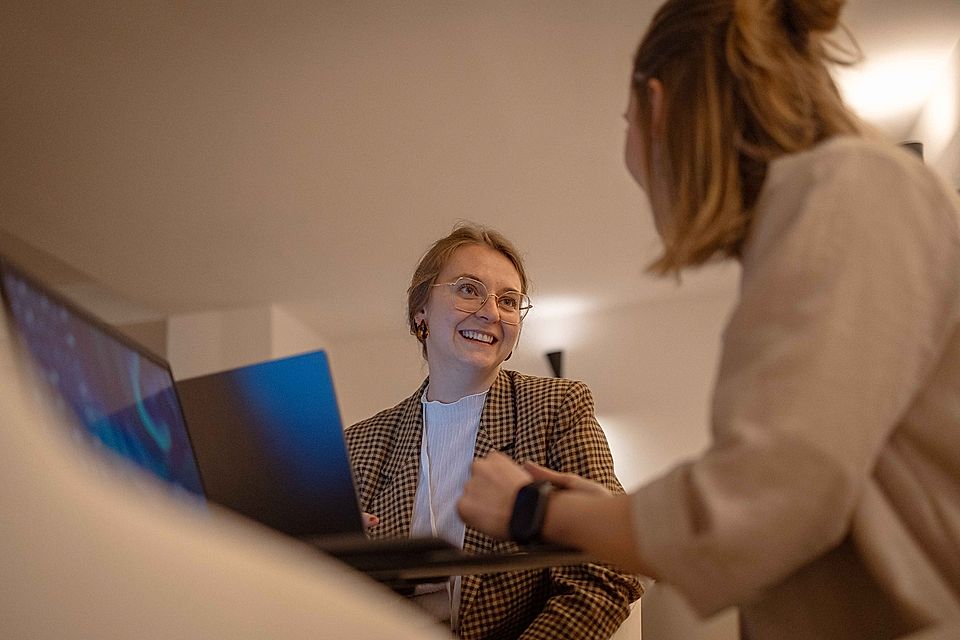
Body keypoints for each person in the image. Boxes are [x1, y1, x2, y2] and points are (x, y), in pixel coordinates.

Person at [457, 1, 960, 639]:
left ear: (657, 104)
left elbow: (760, 508)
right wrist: (606, 514)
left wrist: (532, 508)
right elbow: (801, 491)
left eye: (625, 121)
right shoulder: (826, 205)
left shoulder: (848, 187)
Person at [344, 223, 643, 639]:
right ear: (421, 312)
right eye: (468, 289)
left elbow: (608, 570)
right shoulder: (359, 443)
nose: (491, 312)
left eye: (509, 300)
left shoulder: (556, 407)